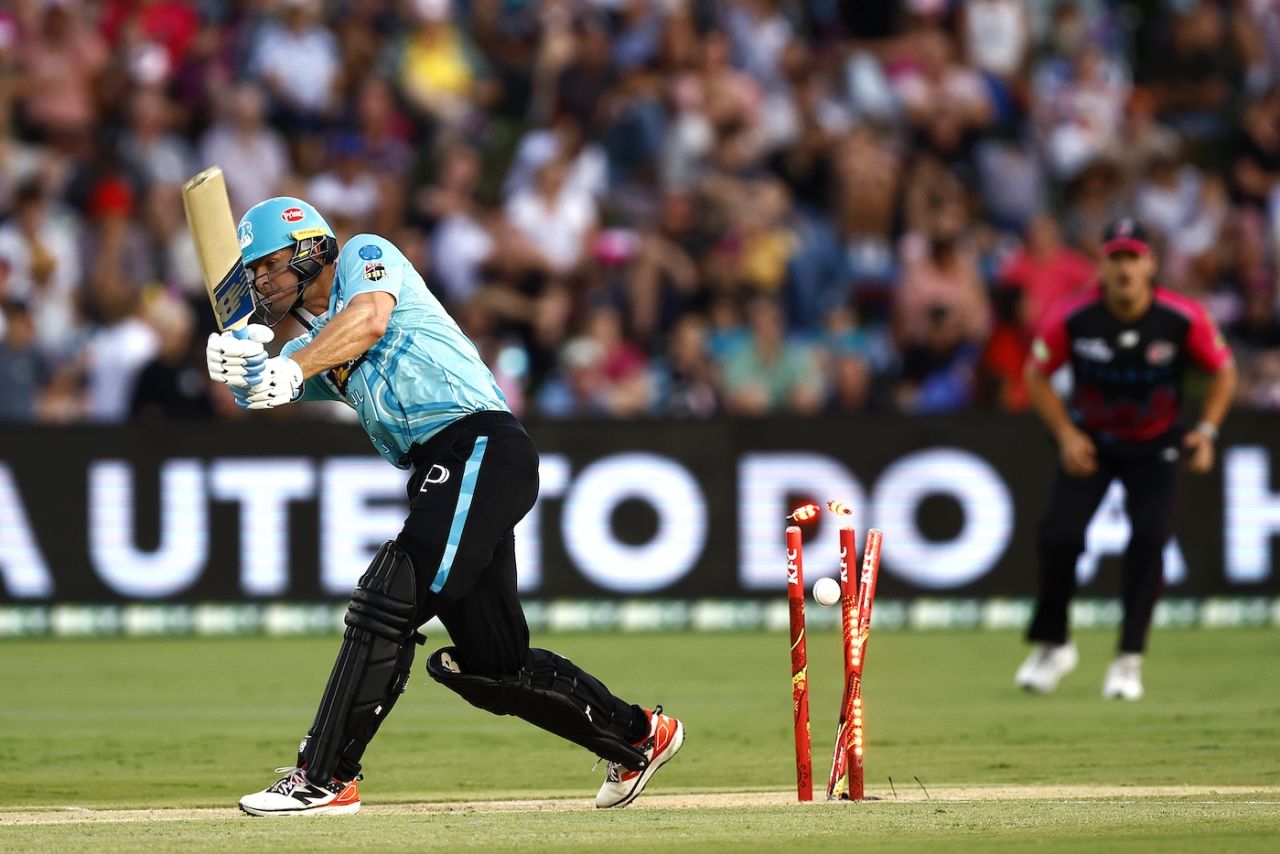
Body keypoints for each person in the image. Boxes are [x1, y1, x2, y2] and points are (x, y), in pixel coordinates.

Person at [206, 197, 683, 815]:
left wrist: (290, 370)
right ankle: (639, 736)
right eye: (255, 273)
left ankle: (323, 776)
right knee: (493, 667)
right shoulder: (324, 343)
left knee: (390, 593)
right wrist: (240, 369)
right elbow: (269, 390)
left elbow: (369, 321)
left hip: (480, 444)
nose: (262, 282)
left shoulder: (365, 256)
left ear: (310, 249)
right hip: (446, 468)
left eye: (268, 265)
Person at [1015, 218, 1236, 700]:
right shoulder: (1071, 316)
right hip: (1092, 445)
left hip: (1157, 447)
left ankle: (1127, 660)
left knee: (1150, 539)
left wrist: (1207, 430)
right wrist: (1067, 434)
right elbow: (1036, 375)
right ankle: (1054, 644)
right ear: (1102, 264)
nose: (1124, 268)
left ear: (1150, 264)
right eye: (1115, 257)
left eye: (1133, 257)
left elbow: (1223, 371)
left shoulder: (1183, 316)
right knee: (1058, 536)